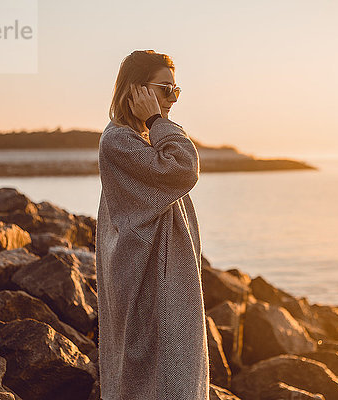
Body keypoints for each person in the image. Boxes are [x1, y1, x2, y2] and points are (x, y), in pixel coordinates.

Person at [95, 49, 210, 399]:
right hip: (149, 279)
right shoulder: (119, 142)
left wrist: (155, 125)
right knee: (157, 376)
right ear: (136, 90)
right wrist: (158, 121)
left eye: (176, 90)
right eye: (165, 89)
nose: (172, 98)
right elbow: (184, 167)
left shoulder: (141, 139)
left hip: (162, 276)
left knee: (171, 372)